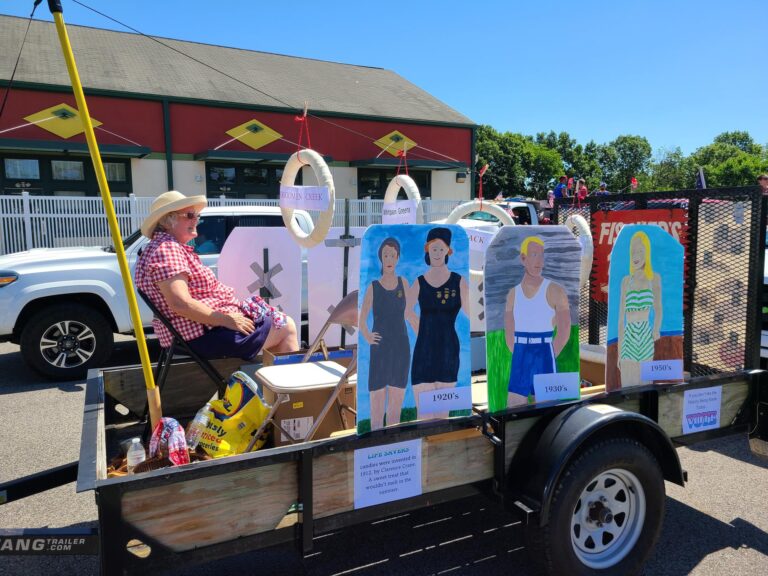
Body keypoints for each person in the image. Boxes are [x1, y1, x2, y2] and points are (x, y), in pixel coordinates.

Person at [135, 190, 298, 362]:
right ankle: (286, 387)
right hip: (201, 335)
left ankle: (275, 386)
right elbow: (180, 303)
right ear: (167, 221)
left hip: (198, 332)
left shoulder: (161, 247)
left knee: (276, 325)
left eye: (197, 215)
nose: (196, 220)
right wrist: (226, 320)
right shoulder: (167, 249)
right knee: (285, 327)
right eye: (190, 215)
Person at [406, 227, 469, 419]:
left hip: (448, 352)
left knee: (443, 417)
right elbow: (407, 311)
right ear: (427, 250)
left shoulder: (459, 282)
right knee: (424, 417)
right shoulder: (418, 282)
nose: (437, 253)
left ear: (448, 251)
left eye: (441, 249)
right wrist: (421, 331)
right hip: (423, 353)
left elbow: (470, 312)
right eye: (434, 248)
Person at [504, 236, 571, 406]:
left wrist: (547, 354)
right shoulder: (513, 293)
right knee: (514, 405)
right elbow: (509, 332)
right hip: (521, 352)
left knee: (546, 407)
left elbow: (564, 332)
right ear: (523, 258)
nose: (539, 261)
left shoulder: (555, 290)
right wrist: (520, 352)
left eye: (542, 255)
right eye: (534, 255)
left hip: (544, 351)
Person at [359, 238, 410, 430]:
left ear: (398, 258)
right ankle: (376, 447)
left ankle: (395, 446)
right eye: (385, 254)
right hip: (379, 351)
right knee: (377, 409)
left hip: (401, 349)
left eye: (392, 255)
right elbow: (362, 319)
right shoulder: (373, 287)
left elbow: (412, 313)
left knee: (396, 410)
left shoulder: (404, 283)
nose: (389, 258)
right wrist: (367, 336)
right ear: (381, 257)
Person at [617, 231, 662, 387]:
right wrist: (618, 352)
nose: (636, 255)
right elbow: (620, 319)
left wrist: (656, 329)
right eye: (633, 251)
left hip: (645, 336)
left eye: (640, 251)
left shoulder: (654, 278)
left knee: (645, 385)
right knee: (627, 385)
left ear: (647, 253)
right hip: (628, 339)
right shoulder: (626, 281)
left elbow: (658, 309)